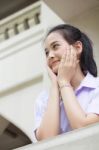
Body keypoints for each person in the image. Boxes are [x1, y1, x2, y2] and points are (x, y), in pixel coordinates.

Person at [33, 24, 99, 141]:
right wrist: (55, 86)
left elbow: (84, 129)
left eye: (55, 46)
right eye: (47, 52)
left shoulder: (96, 87)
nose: (50, 56)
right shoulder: (44, 99)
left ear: (78, 47)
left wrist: (64, 82)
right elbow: (46, 141)